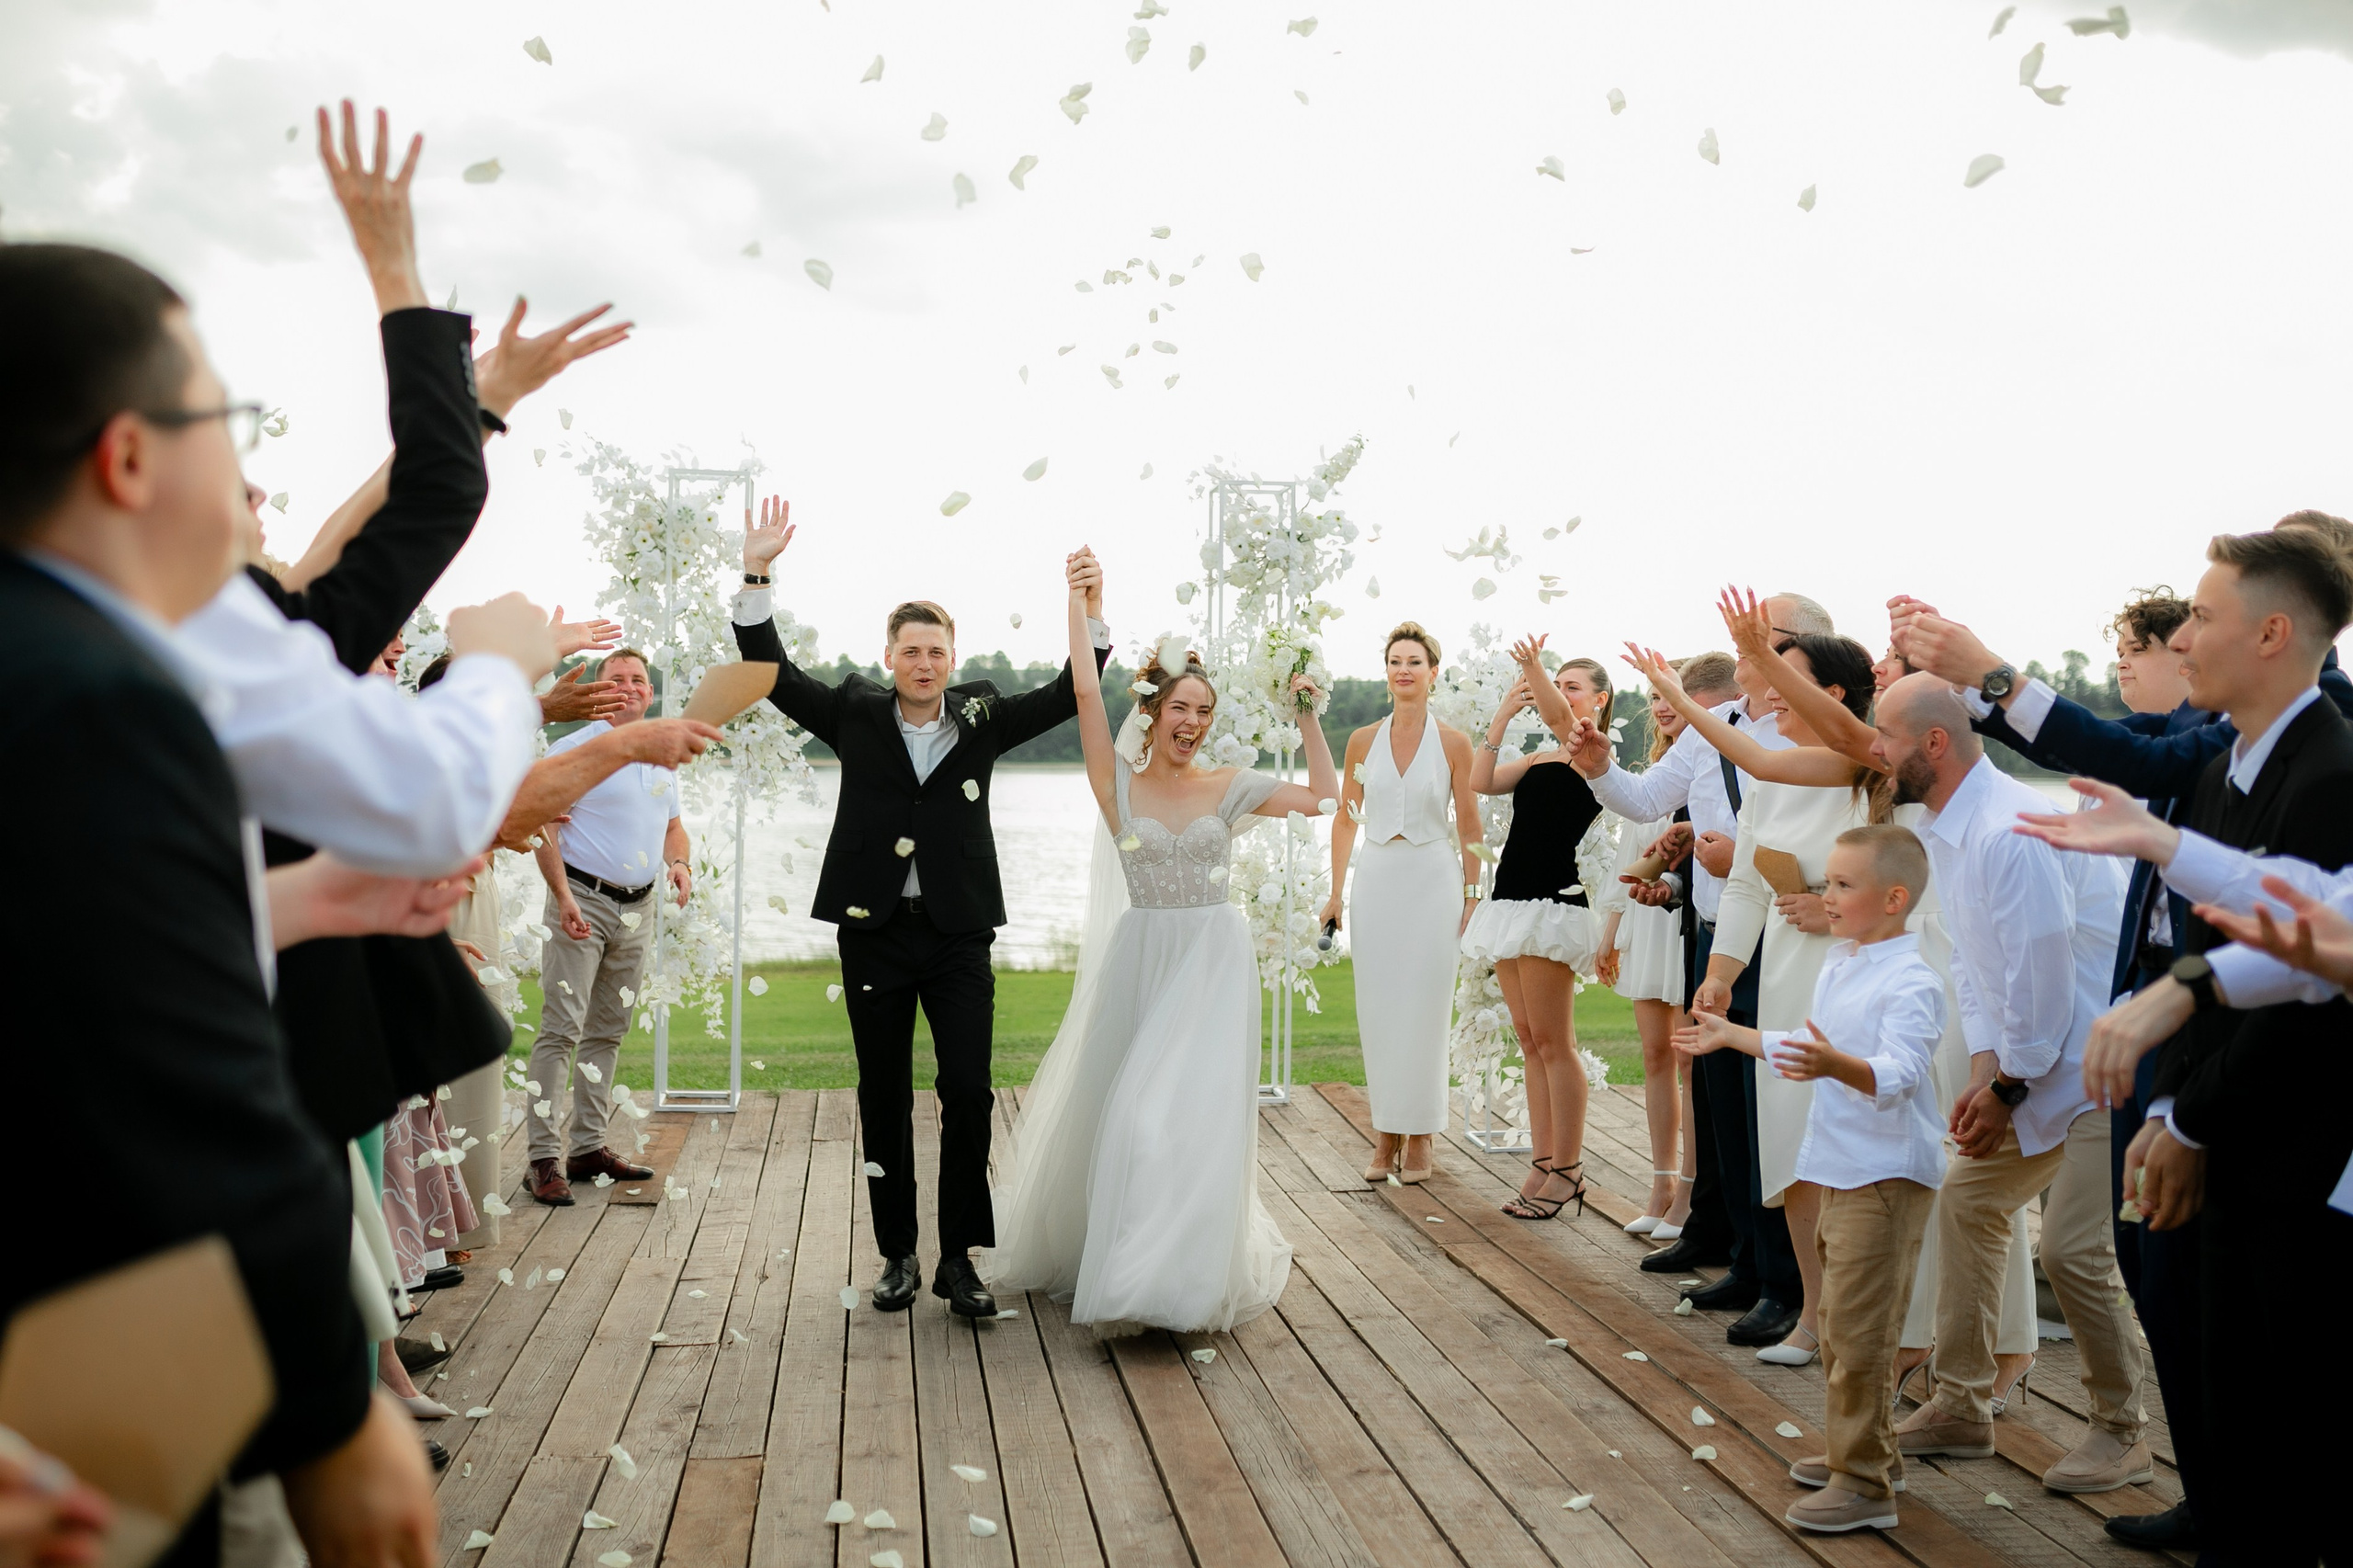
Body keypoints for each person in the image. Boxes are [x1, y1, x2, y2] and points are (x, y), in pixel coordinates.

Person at [3, 238, 440, 1567]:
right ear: (131, 458)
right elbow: (196, 1116)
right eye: (220, 419)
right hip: (93, 1356)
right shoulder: (95, 696)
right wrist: (330, 1413)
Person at [2008, 526, 2353, 1565]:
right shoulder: (2221, 767)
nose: (2183, 633)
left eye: (2202, 615)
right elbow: (2256, 933)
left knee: (2289, 1413)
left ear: (2273, 632)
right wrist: (2169, 1103)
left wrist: (2191, 1110)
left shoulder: (2332, 769)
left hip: (2288, 1138)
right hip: (2211, 1111)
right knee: (2223, 1370)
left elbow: (2310, 961)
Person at [733, 498, 1112, 1318]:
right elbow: (771, 675)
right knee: (883, 1095)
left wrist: (1090, 613)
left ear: (952, 658)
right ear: (890, 657)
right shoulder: (854, 712)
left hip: (957, 936)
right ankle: (899, 1256)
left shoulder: (982, 715)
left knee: (969, 1091)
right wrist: (758, 574)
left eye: (936, 651)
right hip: (874, 936)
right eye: (911, 651)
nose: (924, 663)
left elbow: (1066, 693)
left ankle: (959, 1261)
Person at [988, 582, 1338, 1332]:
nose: (1195, 722)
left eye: (1205, 711)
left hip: (1215, 961)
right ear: (1151, 711)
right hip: (1145, 958)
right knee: (1140, 1118)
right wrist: (1082, 610)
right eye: (1181, 707)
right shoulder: (1116, 785)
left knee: (1195, 1120)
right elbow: (1085, 691)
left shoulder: (1232, 785)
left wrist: (1307, 714)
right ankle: (1133, 1275)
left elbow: (1325, 800)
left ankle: (1178, 1288)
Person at [1866, 676, 2150, 1494]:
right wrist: (1988, 1066)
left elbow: (2048, 976)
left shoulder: (2006, 830)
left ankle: (2123, 1430)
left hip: (2106, 1059)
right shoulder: (1953, 826)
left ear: (1933, 744)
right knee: (1971, 1202)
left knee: (2072, 1247)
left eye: (1884, 734)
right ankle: (1960, 1403)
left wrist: (2006, 1088)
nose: (1874, 750)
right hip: (2039, 1062)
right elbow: (1978, 964)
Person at [1565, 592, 1827, 1343]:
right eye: (1742, 642)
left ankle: (1788, 1282)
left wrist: (1730, 853)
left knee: (1770, 1110)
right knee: (1724, 1113)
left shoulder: (1815, 733)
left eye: (1761, 641)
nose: (1744, 652)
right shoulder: (1722, 728)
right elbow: (1643, 798)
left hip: (1789, 938)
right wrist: (1596, 767)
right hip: (1716, 937)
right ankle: (1744, 1260)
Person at [1677, 825, 1946, 1532]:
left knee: (1860, 1329)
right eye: (1826, 881)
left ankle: (1865, 1487)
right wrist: (1732, 1035)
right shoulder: (1846, 961)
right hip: (1838, 1167)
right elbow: (1806, 1042)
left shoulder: (1913, 978)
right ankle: (1867, 1453)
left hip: (1885, 1175)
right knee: (1836, 1318)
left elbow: (1899, 1075)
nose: (1825, 895)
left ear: (1894, 899)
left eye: (1841, 885)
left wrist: (1834, 1068)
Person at [1634, 630, 1881, 1365]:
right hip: (1780, 978)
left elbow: (1911, 886)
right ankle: (1810, 1313)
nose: (1768, 691)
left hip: (1854, 977)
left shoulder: (1868, 766)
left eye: (1783, 675)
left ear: (1831, 696)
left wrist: (1828, 907)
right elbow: (1745, 879)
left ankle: (1858, 1320)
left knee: (1844, 1148)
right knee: (1788, 1150)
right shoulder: (1775, 771)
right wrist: (1721, 972)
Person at [1460, 637, 1622, 1220]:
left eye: (1572, 684)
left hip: (1554, 905)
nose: (1558, 691)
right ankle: (1543, 1162)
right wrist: (1504, 713)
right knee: (1529, 1041)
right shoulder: (1538, 759)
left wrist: (1535, 673)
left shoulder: (1594, 759)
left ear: (1599, 701)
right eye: (1558, 682)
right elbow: (1480, 781)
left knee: (1557, 1044)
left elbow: (1563, 720)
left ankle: (1569, 1169)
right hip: (1509, 903)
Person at [1320, 622, 1483, 1186]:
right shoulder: (1363, 740)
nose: (1404, 669)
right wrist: (1334, 892)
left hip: (1434, 883)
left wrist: (1471, 894)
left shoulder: (1455, 743)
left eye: (1415, 661)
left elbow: (1470, 825)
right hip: (1379, 880)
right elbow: (1346, 818)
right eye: (1395, 660)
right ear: (1385, 671)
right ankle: (1385, 1132)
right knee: (1381, 1008)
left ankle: (1421, 1138)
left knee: (1426, 1010)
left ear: (1433, 673)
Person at [525, 646, 688, 1204]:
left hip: (638, 911)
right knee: (560, 1029)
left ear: (649, 690)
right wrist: (562, 896)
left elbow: (674, 829)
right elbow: (541, 827)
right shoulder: (573, 749)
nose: (629, 686)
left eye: (638, 678)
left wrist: (680, 864)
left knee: (608, 1030)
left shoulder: (662, 756)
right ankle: (542, 1158)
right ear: (596, 691)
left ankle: (588, 1145)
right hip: (581, 904)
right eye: (616, 678)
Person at [1614, 654, 1733, 1239]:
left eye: (1674, 696)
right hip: (1668, 915)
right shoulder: (1664, 768)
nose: (1663, 707)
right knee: (1661, 1057)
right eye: (1657, 696)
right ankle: (1667, 1185)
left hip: (1703, 926)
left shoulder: (1729, 750)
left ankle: (1692, 1195)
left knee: (1694, 1059)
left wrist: (1677, 882)